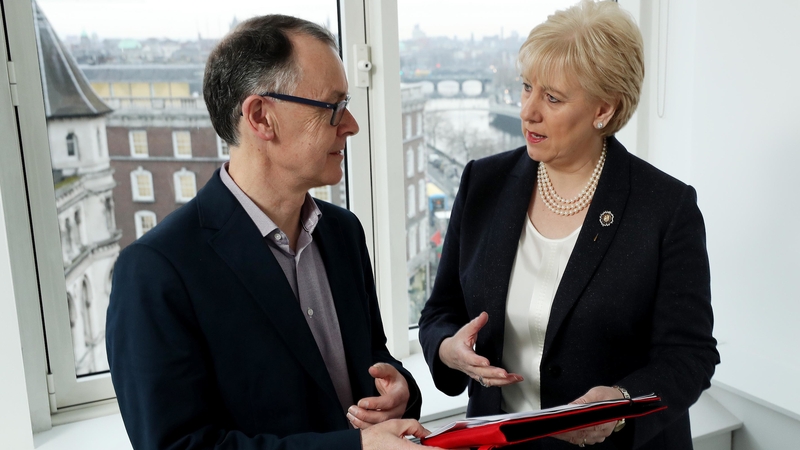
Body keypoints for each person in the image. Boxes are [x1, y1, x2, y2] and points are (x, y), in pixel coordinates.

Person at [107, 15, 432, 450]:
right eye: (333, 107)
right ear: (261, 117)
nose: (351, 124)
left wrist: (401, 393)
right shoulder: (156, 270)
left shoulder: (343, 233)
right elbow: (179, 446)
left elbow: (373, 360)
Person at [418, 1, 720, 449]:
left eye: (552, 98)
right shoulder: (484, 182)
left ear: (604, 108)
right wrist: (448, 349)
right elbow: (440, 312)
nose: (527, 111)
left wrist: (619, 404)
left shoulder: (666, 207)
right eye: (526, 88)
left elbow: (690, 356)